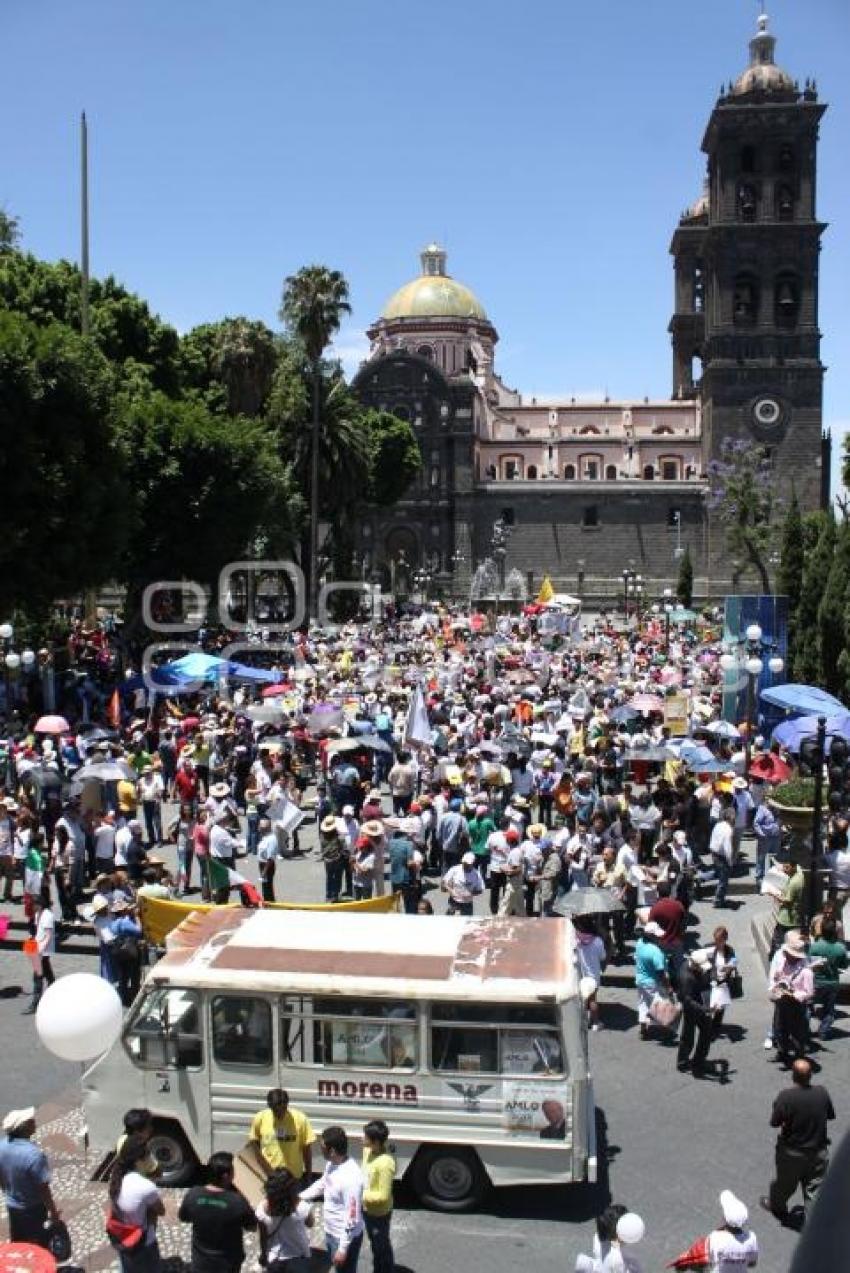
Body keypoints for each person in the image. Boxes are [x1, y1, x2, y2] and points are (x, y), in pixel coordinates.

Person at [761, 1058, 834, 1220]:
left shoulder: (785, 1097)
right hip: (818, 1152)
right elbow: (830, 1115)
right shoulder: (822, 1092)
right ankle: (813, 1224)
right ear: (810, 1076)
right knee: (814, 1189)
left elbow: (774, 1122)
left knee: (784, 1184)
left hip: (792, 1153)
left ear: (793, 1075)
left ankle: (778, 1207)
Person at [178, 1150, 256, 1273]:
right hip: (227, 1264)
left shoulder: (193, 1194)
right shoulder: (237, 1202)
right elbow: (252, 1227)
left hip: (201, 1262)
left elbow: (184, 1217)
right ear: (226, 1176)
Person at [300, 1126, 364, 1271]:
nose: (320, 1149)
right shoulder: (333, 1164)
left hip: (342, 1238)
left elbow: (352, 1217)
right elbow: (323, 1184)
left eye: (322, 1147)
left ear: (332, 1151)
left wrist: (342, 1249)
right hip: (331, 1232)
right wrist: (299, 1197)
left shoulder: (350, 1179)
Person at [0, 1106, 61, 1246]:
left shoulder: (1, 1147)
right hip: (33, 1209)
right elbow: (43, 1188)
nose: (35, 1122)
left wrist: (7, 1191)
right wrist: (53, 1211)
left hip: (12, 1206)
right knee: (38, 1244)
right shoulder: (34, 1155)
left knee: (19, 1244)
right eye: (31, 1121)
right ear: (25, 1127)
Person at [107, 1132, 165, 1273]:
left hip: (123, 1238)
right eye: (147, 1154)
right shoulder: (145, 1186)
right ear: (139, 1160)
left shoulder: (115, 1178)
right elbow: (161, 1211)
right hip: (144, 1241)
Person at [248, 1089, 315, 1184]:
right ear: (270, 1106)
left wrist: (308, 1176)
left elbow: (306, 1148)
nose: (280, 1113)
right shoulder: (260, 1118)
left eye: (283, 1109)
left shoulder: (300, 1119)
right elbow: (254, 1143)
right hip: (270, 1177)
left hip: (294, 1178)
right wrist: (266, 1170)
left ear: (287, 1105)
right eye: (276, 1110)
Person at [767, 930, 814, 1064]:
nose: (785, 955)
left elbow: (809, 992)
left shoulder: (806, 971)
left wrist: (796, 994)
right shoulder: (783, 961)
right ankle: (782, 1052)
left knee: (798, 1032)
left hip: (797, 1005)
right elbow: (777, 978)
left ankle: (799, 1057)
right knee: (780, 1028)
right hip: (782, 1001)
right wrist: (777, 985)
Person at [255, 1168, 312, 1272]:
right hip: (299, 1255)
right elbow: (310, 1223)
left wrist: (263, 1254)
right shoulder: (301, 1206)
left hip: (274, 1258)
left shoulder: (262, 1210)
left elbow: (263, 1237)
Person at [361, 1120, 396, 1273]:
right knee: (376, 1246)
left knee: (381, 1247)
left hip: (379, 1214)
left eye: (365, 1137)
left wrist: (361, 1194)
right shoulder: (367, 1152)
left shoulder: (385, 1163)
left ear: (375, 1142)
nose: (362, 1138)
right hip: (368, 1210)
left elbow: (383, 1195)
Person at [807, 917, 848, 1040]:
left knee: (808, 1007)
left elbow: (809, 962)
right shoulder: (840, 948)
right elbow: (844, 965)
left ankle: (804, 1029)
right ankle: (823, 1031)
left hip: (816, 982)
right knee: (829, 1010)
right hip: (832, 983)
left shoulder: (814, 947)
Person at [676, 951, 714, 1077]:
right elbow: (688, 1001)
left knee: (689, 1034)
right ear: (695, 965)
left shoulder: (688, 964)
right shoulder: (687, 978)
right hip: (694, 1007)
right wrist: (705, 1009)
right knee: (696, 1033)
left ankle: (683, 1062)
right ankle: (697, 1062)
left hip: (698, 1003)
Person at [634, 921, 670, 1040]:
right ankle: (662, 1029)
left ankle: (643, 1028)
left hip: (640, 980)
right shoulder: (656, 952)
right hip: (652, 982)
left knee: (643, 1003)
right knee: (659, 1004)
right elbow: (660, 972)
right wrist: (668, 986)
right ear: (652, 936)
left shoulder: (639, 943)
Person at [24, 890, 56, 1014]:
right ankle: (54, 993)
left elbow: (48, 936)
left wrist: (40, 950)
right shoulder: (39, 914)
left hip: (43, 950)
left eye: (33, 904)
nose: (32, 907)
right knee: (48, 974)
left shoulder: (47, 915)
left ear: (39, 904)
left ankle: (35, 1004)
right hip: (38, 948)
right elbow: (39, 932)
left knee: (37, 976)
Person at [117, 1109, 158, 1178]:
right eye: (148, 1127)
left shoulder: (122, 1139)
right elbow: (154, 1171)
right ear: (137, 1132)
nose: (151, 1129)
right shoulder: (140, 1148)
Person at [709, 809, 734, 908]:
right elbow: (727, 848)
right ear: (731, 818)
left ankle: (702, 878)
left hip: (714, 852)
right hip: (721, 856)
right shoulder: (728, 830)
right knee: (723, 880)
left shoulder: (718, 825)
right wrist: (730, 861)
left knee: (717, 872)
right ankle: (718, 900)